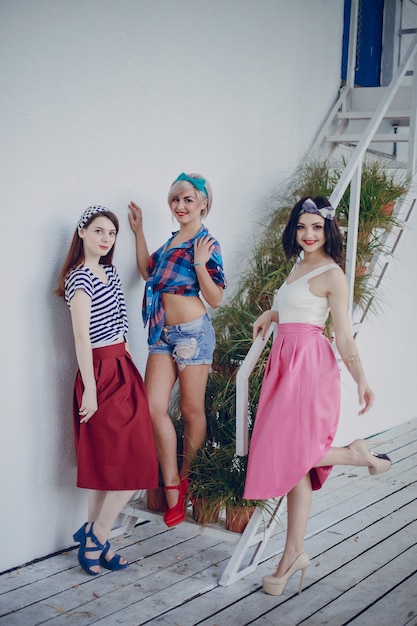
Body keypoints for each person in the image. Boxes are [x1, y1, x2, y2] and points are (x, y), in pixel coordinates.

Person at [243, 196, 392, 596]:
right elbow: (295, 309)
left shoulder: (333, 274)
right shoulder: (298, 267)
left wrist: (361, 377)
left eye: (317, 228)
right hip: (284, 363)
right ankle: (293, 552)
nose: (308, 234)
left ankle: (352, 455)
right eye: (302, 227)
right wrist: (272, 314)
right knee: (296, 464)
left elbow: (342, 334)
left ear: (329, 231)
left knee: (284, 449)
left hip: (307, 366)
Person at [56, 204, 158, 576]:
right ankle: (98, 537)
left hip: (122, 368)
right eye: (99, 231)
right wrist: (91, 390)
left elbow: (120, 321)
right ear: (82, 232)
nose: (106, 239)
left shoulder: (110, 273)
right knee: (116, 464)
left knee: (124, 461)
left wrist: (127, 357)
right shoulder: (78, 278)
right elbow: (81, 337)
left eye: (111, 233)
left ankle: (92, 535)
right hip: (98, 374)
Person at [128, 172, 227, 527]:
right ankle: (172, 486)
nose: (180, 206)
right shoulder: (171, 242)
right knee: (153, 408)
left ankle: (186, 478)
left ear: (203, 203)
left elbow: (215, 299)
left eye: (187, 199)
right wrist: (139, 233)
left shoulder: (206, 242)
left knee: (190, 410)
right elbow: (145, 271)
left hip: (192, 333)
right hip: (161, 333)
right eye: (175, 200)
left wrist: (200, 263)